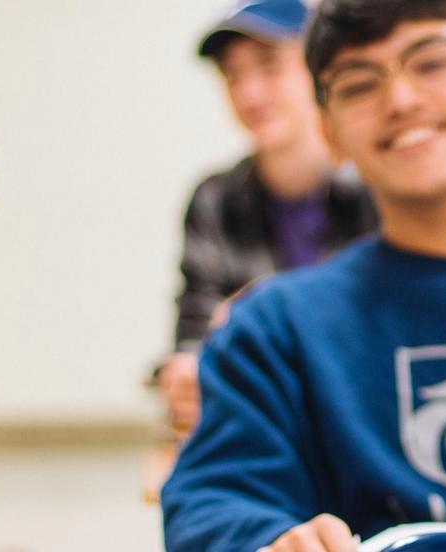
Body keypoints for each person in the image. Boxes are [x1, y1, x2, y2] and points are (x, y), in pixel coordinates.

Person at [159, 1, 446, 550]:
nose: (401, 100)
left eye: (431, 62)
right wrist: (275, 541)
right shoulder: (274, 332)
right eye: (359, 85)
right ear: (327, 128)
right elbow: (214, 505)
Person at [156, 0, 378, 432]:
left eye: (270, 66)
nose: (249, 94)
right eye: (232, 75)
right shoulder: (213, 199)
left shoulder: (377, 191)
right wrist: (185, 374)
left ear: (319, 70)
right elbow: (195, 332)